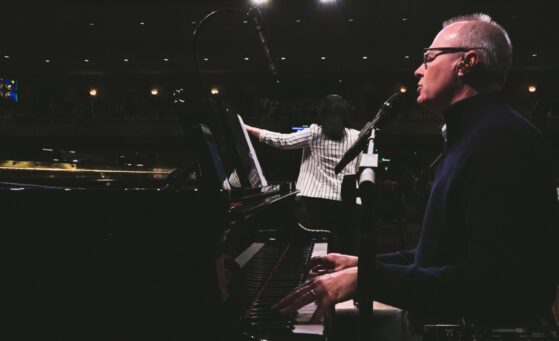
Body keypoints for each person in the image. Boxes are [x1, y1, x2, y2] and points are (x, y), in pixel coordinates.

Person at [272, 13, 559, 340]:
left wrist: (364, 280)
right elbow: (440, 253)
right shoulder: (476, 133)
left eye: (428, 58)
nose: (418, 70)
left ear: (466, 62)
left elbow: (491, 281)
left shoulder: (501, 139)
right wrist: (360, 264)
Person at [244, 94, 360, 254]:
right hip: (348, 202)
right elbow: (358, 168)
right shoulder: (358, 136)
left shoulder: (315, 133)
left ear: (323, 113)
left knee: (315, 253)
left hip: (315, 202)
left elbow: (281, 141)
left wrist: (246, 128)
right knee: (345, 253)